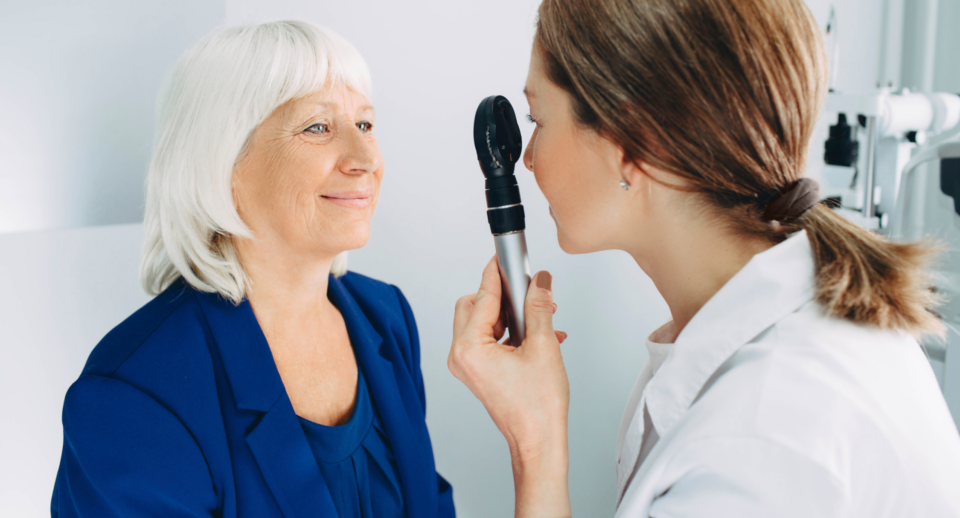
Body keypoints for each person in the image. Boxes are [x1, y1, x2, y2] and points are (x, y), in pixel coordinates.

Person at [448, 0, 960, 516]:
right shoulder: (758, 335)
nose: (529, 156)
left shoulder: (762, 441)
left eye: (538, 119)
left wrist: (532, 447)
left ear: (631, 141)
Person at [52, 21, 454, 518]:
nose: (366, 158)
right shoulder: (133, 398)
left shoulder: (386, 319)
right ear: (222, 163)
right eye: (318, 127)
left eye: (366, 124)